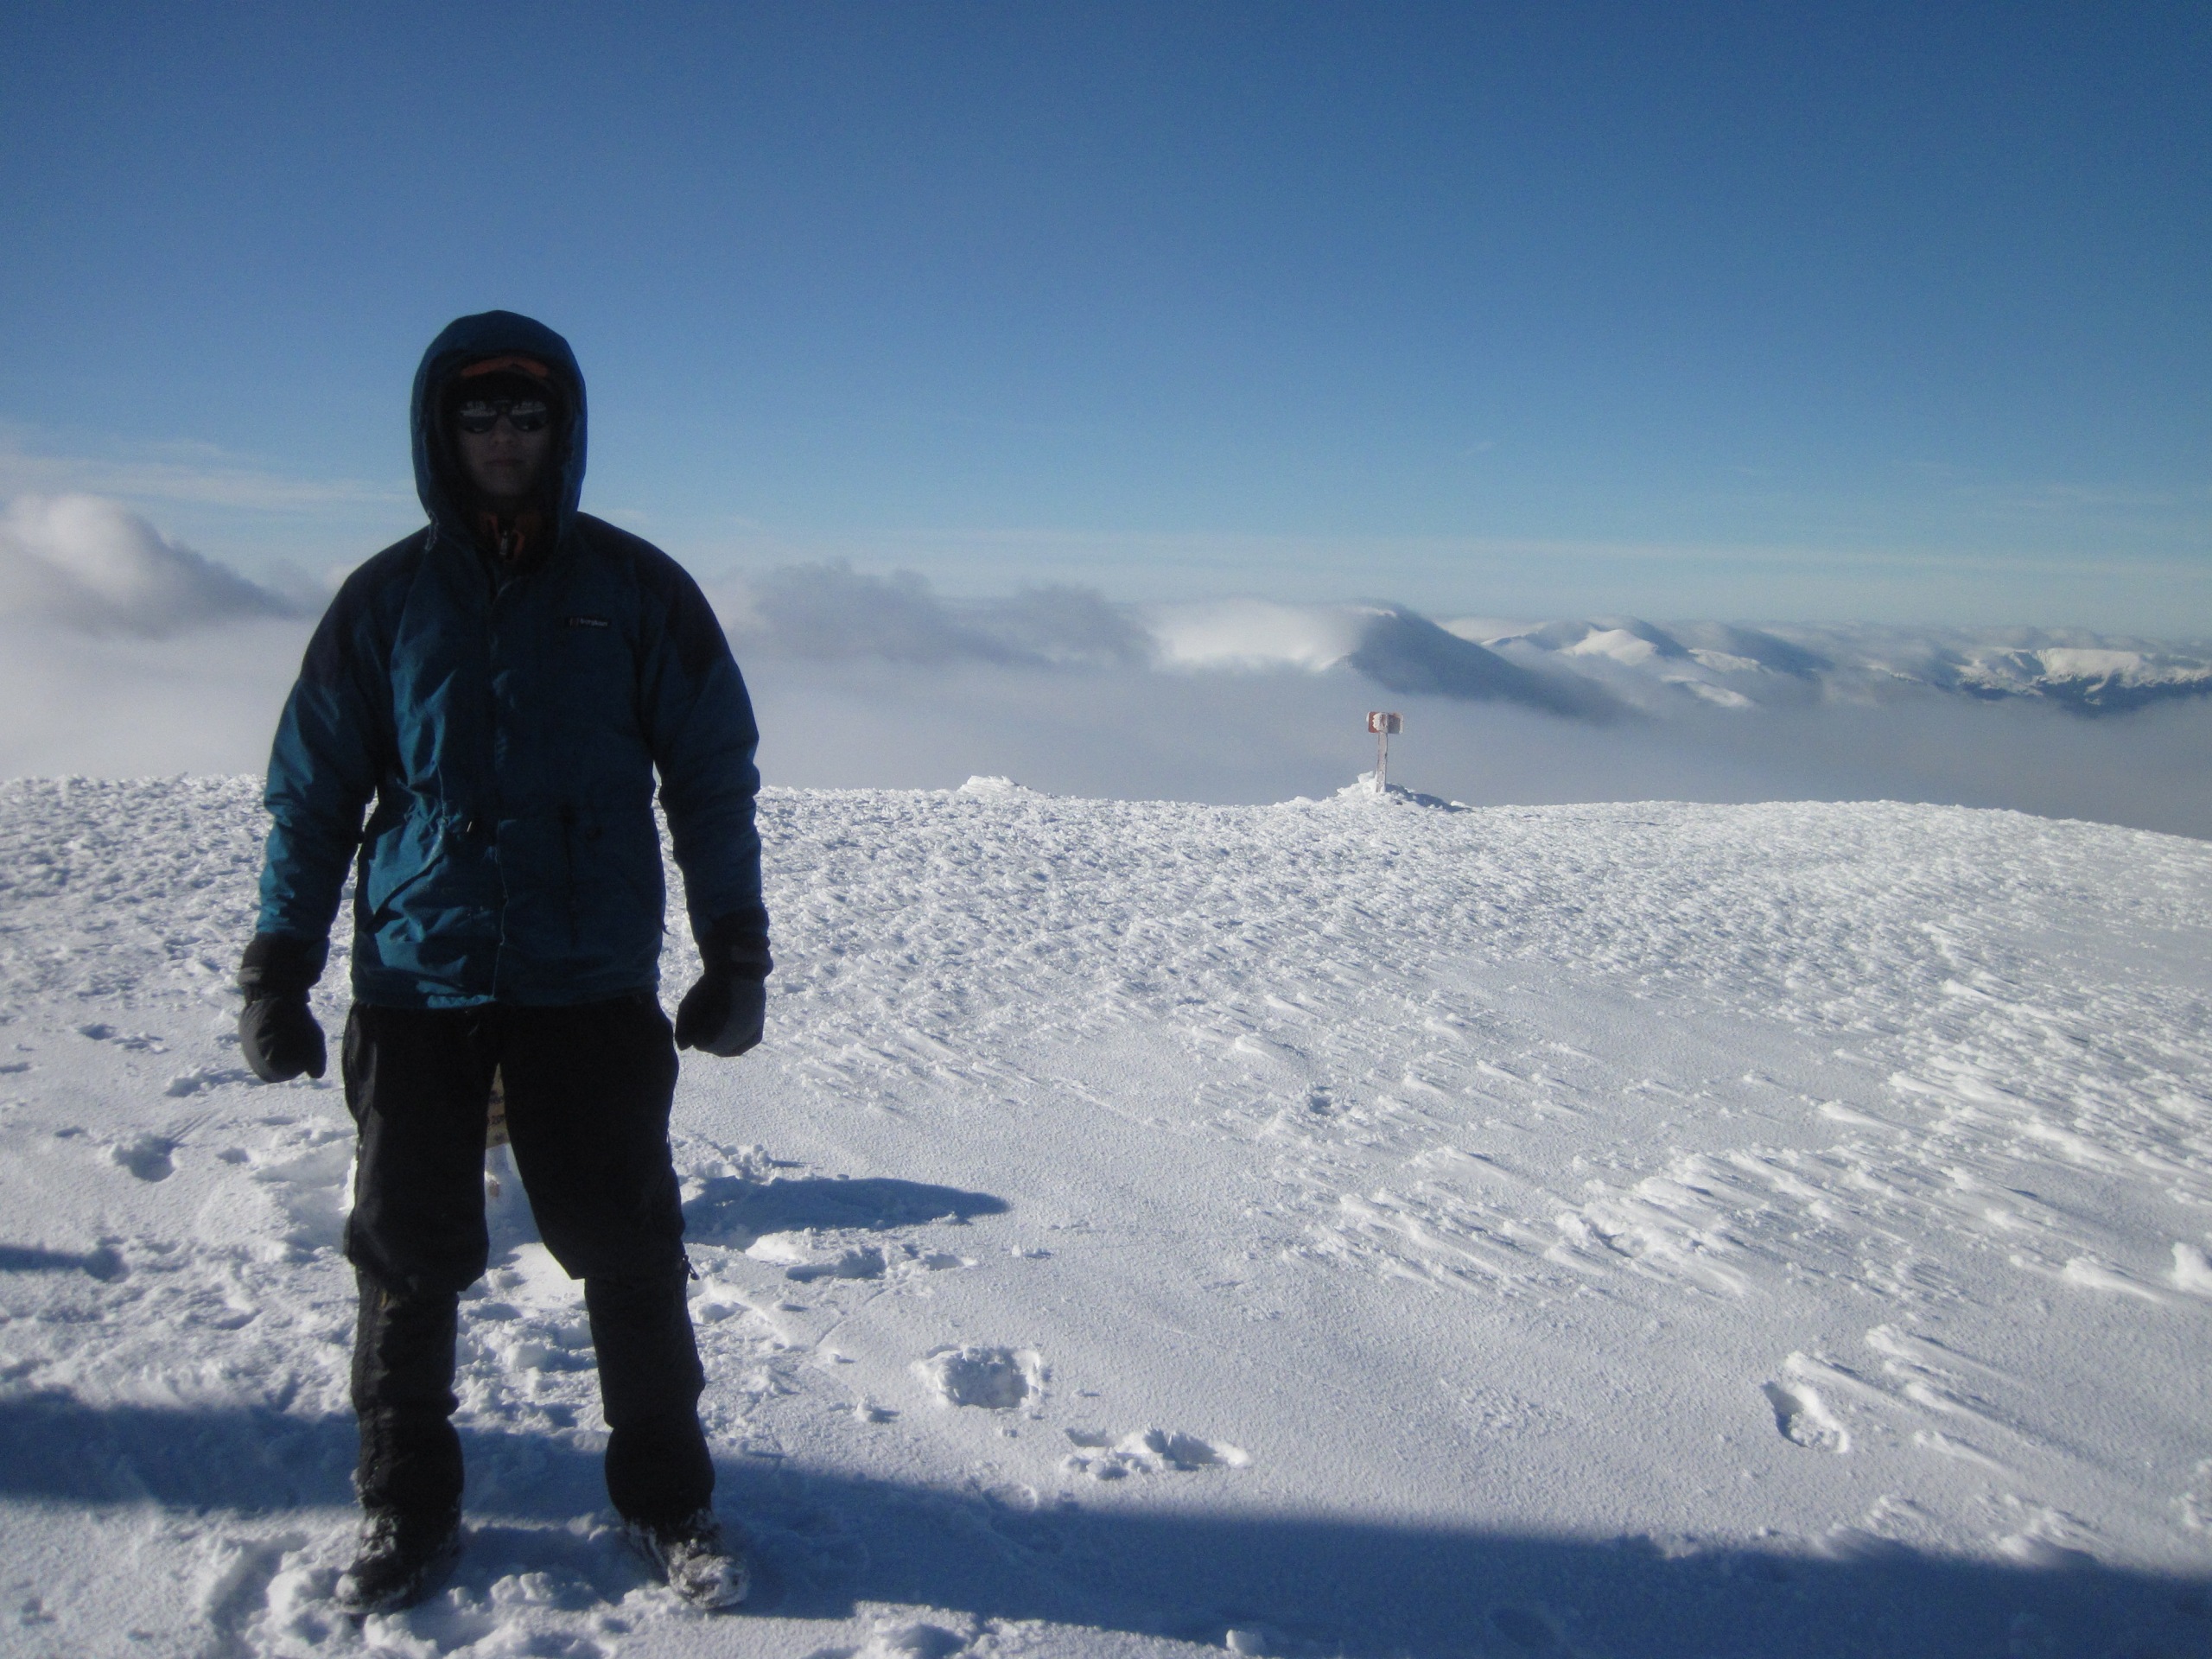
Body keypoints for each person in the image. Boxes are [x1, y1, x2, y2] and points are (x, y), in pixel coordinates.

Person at [236, 310, 771, 1613]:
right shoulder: (386, 600)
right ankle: (405, 1507)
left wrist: (736, 951)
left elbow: (711, 778)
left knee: (630, 1249)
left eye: (527, 414)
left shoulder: (637, 590)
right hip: (419, 975)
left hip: (589, 980)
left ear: (563, 428)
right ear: (441, 430)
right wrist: (277, 966)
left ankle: (669, 1500)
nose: (504, 436)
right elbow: (313, 793)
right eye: (479, 414)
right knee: (405, 1257)